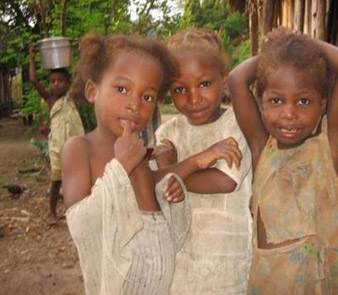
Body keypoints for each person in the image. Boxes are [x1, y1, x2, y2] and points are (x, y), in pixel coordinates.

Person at [61, 33, 242, 295]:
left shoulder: (140, 152)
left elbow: (155, 221)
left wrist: (172, 199)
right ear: (92, 91)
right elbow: (80, 223)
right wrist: (120, 167)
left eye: (147, 97)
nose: (134, 104)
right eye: (121, 89)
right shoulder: (80, 148)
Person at [229, 28, 338, 294]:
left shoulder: (328, 147)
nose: (289, 113)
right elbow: (237, 79)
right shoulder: (262, 149)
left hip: (323, 286)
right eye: (276, 100)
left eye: (303, 101)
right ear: (261, 104)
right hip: (271, 285)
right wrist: (273, 49)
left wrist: (304, 43)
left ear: (322, 104)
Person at [154, 28, 253, 294]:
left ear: (223, 79)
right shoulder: (168, 132)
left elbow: (224, 181)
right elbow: (158, 182)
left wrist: (173, 173)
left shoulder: (237, 124)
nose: (194, 98)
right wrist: (195, 162)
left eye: (204, 84)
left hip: (225, 257)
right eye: (179, 89)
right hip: (180, 258)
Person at [29, 45, 84, 224]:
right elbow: (33, 80)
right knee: (56, 180)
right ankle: (52, 213)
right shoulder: (50, 99)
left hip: (73, 145)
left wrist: (77, 54)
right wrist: (32, 57)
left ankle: (74, 212)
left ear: (67, 83)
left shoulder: (71, 97)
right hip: (57, 147)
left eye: (60, 81)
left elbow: (81, 77)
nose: (56, 84)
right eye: (53, 81)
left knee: (74, 180)